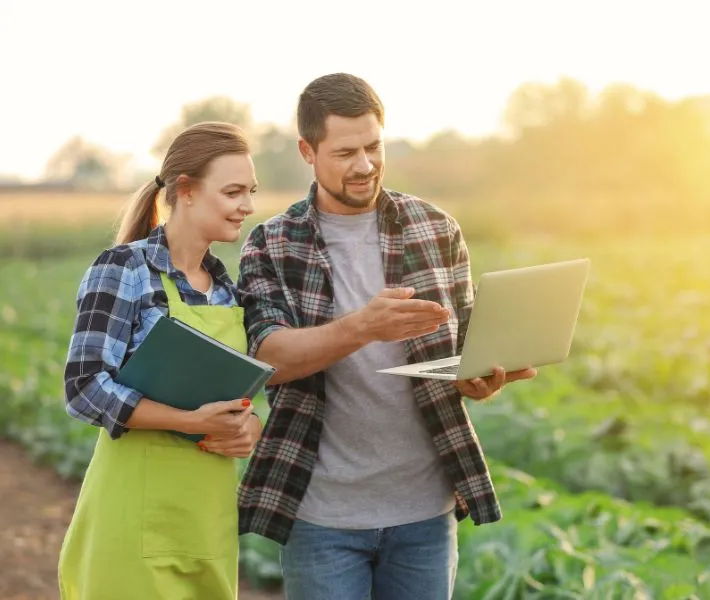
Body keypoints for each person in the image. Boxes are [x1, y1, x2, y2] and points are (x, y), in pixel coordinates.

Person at [236, 73, 537, 599]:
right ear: (308, 151)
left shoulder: (436, 228)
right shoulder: (271, 243)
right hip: (321, 515)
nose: (365, 165)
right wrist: (362, 327)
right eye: (345, 152)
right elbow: (269, 358)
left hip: (424, 513)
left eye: (374, 147)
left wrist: (479, 378)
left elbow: (463, 347)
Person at [58, 122, 263, 600]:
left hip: (205, 524)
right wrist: (189, 420)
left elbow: (234, 398)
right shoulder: (124, 268)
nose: (247, 206)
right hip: (132, 521)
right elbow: (83, 388)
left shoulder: (229, 291)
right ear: (186, 191)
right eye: (233, 192)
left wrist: (245, 428)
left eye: (250, 192)